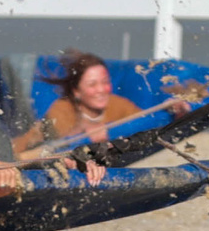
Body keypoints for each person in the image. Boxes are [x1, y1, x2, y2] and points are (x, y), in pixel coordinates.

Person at [11, 49, 187, 153]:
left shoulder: (117, 104)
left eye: (105, 82)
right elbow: (62, 143)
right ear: (77, 92)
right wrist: (85, 132)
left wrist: (174, 111)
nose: (101, 90)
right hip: (26, 149)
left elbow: (145, 121)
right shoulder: (61, 109)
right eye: (92, 85)